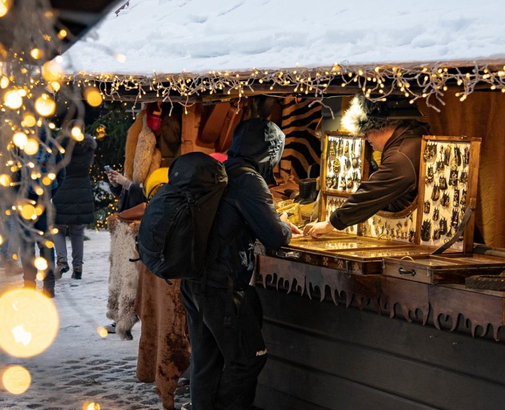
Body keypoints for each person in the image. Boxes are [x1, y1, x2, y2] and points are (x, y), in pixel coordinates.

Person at [180, 118, 301, 410]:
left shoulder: (219, 172)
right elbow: (275, 236)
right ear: (270, 152)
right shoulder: (249, 180)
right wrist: (283, 224)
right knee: (249, 359)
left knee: (206, 362)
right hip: (223, 286)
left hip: (193, 283)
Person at [303, 96, 428, 237]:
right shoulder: (411, 137)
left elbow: (371, 194)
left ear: (382, 127)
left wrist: (330, 223)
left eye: (366, 131)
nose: (364, 137)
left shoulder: (399, 158)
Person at [16, 130, 66, 298]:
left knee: (27, 244)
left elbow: (12, 175)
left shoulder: (20, 144)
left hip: (25, 202)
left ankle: (29, 285)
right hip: (44, 201)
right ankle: (49, 287)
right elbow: (62, 174)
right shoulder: (52, 145)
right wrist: (50, 194)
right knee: (46, 245)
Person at [53, 133, 96, 279]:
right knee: (77, 232)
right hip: (82, 193)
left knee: (57, 228)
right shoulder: (89, 149)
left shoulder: (60, 148)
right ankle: (78, 268)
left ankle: (62, 260)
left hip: (62, 191)